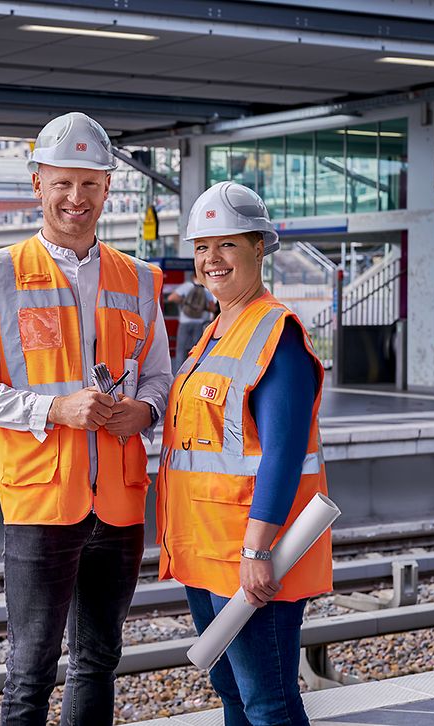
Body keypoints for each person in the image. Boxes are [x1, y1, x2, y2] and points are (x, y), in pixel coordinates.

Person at [0, 112, 172, 726]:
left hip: (120, 506)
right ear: (38, 184)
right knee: (31, 671)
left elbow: (159, 376)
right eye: (63, 183)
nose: (77, 199)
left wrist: (144, 410)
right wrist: (52, 408)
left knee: (100, 661)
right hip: (42, 503)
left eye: (90, 184)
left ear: (107, 188)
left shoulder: (140, 280)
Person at [156, 182, 333, 726]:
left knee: (269, 702)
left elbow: (282, 452)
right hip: (204, 550)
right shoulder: (215, 331)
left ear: (260, 247)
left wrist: (257, 551)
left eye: (227, 244)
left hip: (249, 554)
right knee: (234, 692)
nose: (212, 259)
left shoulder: (275, 333)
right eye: (203, 246)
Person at [167, 277, 215, 372]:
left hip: (185, 322)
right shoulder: (206, 290)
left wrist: (184, 302)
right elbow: (212, 308)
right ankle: (191, 372)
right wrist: (202, 307)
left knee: (181, 349)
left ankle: (178, 373)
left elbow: (171, 298)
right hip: (199, 323)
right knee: (196, 350)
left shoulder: (186, 286)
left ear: (193, 277)